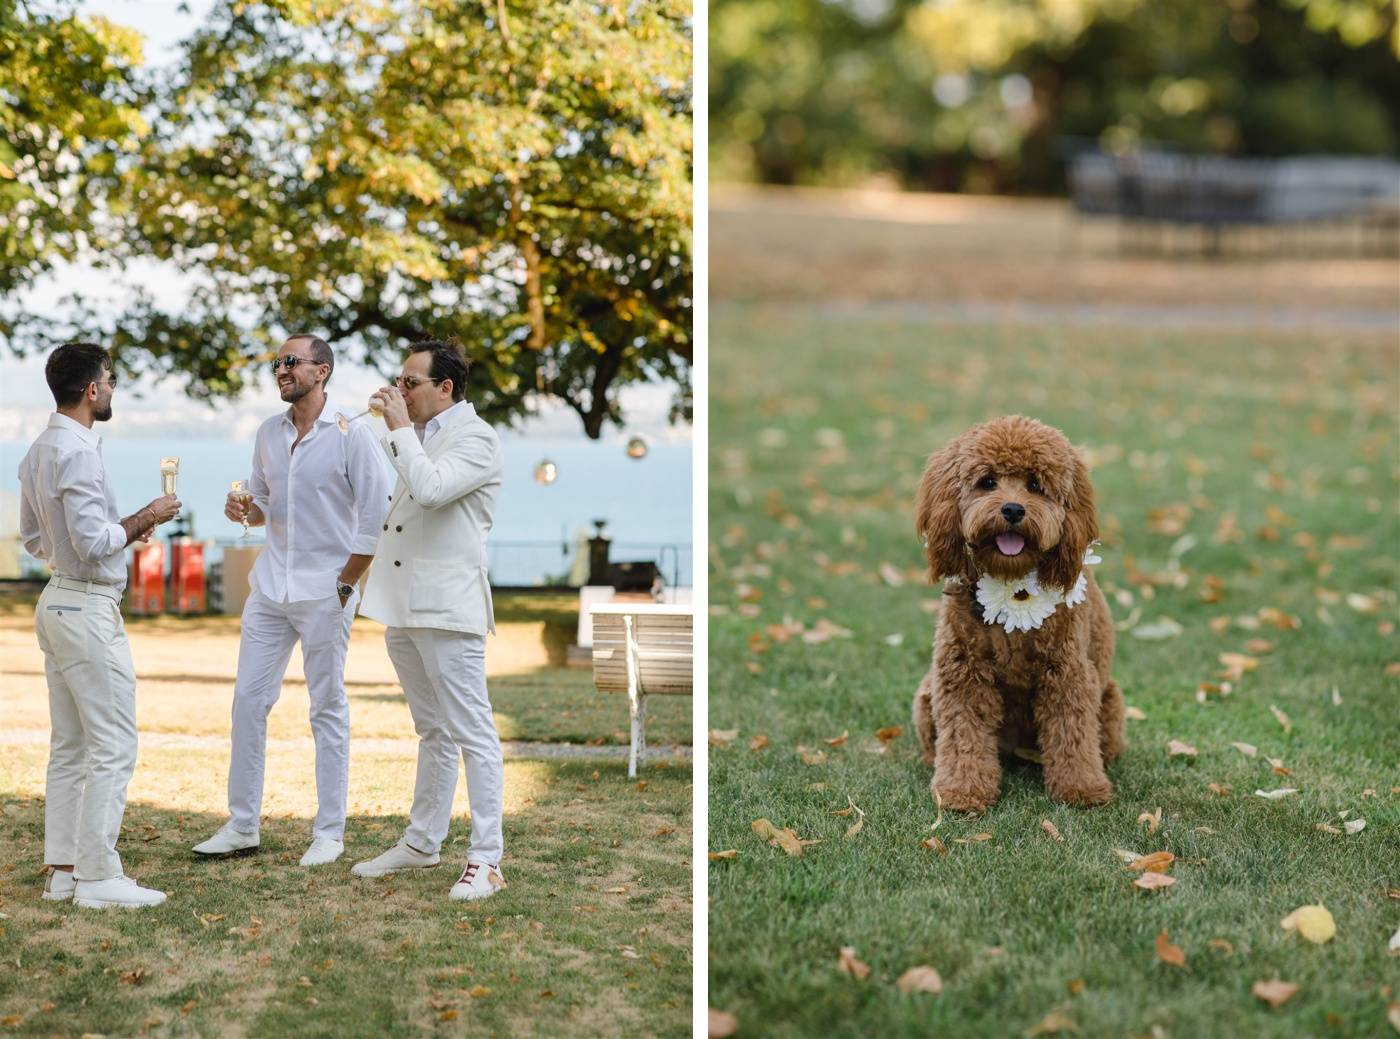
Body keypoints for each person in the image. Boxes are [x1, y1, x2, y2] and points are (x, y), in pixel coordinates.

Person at [192, 334, 389, 866]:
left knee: (326, 707)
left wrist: (345, 584)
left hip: (327, 591)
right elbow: (262, 508)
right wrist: (245, 511)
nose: (280, 370)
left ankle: (329, 832)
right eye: (276, 363)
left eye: (290, 362)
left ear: (321, 371)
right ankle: (241, 825)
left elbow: (376, 516)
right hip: (270, 589)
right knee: (248, 703)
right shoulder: (267, 433)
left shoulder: (352, 434)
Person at [19, 342, 182, 909]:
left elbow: (36, 538)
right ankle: (97, 877)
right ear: (92, 390)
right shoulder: (79, 453)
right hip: (86, 608)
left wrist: (108, 538)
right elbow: (93, 541)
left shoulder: (39, 449)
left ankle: (63, 871)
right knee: (113, 744)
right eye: (109, 380)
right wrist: (146, 518)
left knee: (70, 746)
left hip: (56, 601)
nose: (111, 388)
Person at [349, 338, 507, 901]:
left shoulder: (478, 438)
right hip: (403, 605)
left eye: (410, 382)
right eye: (399, 380)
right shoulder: (415, 435)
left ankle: (487, 859)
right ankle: (422, 843)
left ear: (445, 388)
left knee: (473, 732)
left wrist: (395, 430)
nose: (399, 391)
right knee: (432, 730)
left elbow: (433, 490)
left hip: (447, 607)